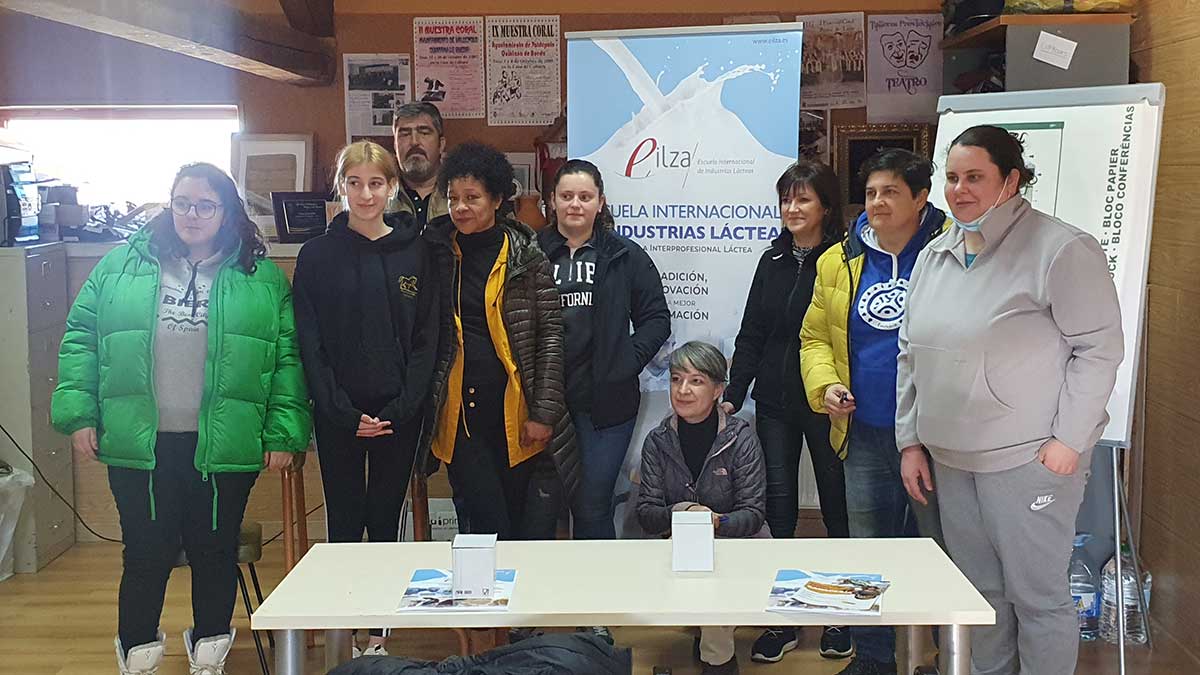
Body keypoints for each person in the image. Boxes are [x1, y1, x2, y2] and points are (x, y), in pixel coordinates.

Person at [52, 163, 311, 675]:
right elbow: (81, 337)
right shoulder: (121, 265)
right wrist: (80, 413)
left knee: (214, 551)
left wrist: (283, 431)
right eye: (182, 203)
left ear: (227, 211)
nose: (192, 215)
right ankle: (139, 658)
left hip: (224, 442)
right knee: (146, 553)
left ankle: (209, 656)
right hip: (140, 441)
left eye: (205, 205)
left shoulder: (259, 279)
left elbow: (286, 359)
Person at [896, 125, 1123, 675]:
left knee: (1038, 598)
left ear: (1012, 180)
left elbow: (1098, 350)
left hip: (1027, 461)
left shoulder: (1062, 249)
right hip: (951, 461)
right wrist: (911, 440)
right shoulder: (936, 253)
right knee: (982, 598)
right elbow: (910, 351)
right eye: (951, 178)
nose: (959, 190)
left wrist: (1070, 441)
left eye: (975, 177)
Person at [800, 148, 950, 675]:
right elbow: (814, 339)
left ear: (921, 197)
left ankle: (941, 658)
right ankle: (871, 659)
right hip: (861, 433)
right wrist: (829, 386)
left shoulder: (954, 252)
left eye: (891, 191)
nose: (878, 202)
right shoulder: (837, 260)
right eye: (870, 193)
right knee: (866, 552)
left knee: (939, 550)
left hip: (935, 439)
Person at [293, 141, 437, 657]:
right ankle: (346, 629)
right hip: (339, 416)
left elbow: (428, 339)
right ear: (341, 188)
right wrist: (341, 411)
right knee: (345, 521)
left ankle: (378, 632)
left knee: (384, 521)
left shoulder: (415, 252)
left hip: (399, 414)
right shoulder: (316, 256)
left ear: (392, 188)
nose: (366, 193)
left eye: (376, 183)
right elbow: (310, 342)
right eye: (354, 183)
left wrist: (401, 408)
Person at [722, 160, 852, 664]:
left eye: (803, 200)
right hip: (774, 404)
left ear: (825, 206)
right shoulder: (772, 260)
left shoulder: (843, 259)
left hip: (826, 403)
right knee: (777, 509)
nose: (792, 209)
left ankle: (841, 615)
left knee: (837, 507)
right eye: (786, 200)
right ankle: (784, 617)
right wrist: (735, 391)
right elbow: (752, 333)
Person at [418, 142, 579, 540]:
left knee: (526, 527)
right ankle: (487, 601)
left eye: (472, 198)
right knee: (486, 526)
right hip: (460, 417)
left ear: (497, 199)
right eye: (453, 198)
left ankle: (523, 600)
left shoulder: (528, 256)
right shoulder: (436, 251)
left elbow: (550, 340)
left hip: (517, 415)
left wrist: (543, 413)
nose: (460, 208)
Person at [536, 159, 670, 541]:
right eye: (566, 196)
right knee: (546, 504)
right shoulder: (532, 254)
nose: (575, 204)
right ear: (553, 201)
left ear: (600, 202)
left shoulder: (625, 256)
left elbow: (657, 319)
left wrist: (624, 361)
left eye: (584, 196)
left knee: (593, 504)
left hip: (607, 405)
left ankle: (601, 593)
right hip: (546, 402)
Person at [637, 341, 767, 675]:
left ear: (717, 390)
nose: (682, 390)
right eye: (676, 379)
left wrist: (714, 523)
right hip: (678, 544)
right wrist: (685, 513)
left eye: (696, 381)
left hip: (736, 543)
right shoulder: (657, 440)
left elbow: (753, 514)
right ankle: (714, 647)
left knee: (715, 584)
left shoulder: (741, 437)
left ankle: (719, 662)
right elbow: (647, 514)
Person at [392, 101, 449, 229]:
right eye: (405, 134)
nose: (414, 142)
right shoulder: (378, 196)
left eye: (424, 133)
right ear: (395, 145)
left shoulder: (460, 194)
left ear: (441, 144)